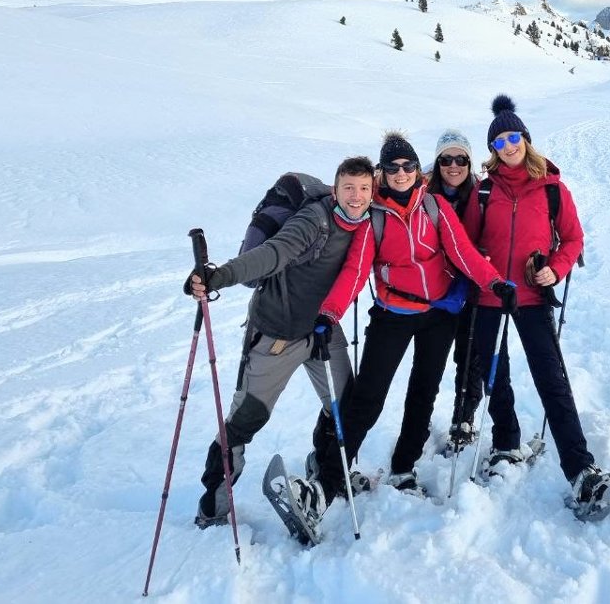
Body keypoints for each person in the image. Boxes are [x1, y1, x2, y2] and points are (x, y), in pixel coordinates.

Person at [290, 131, 515, 517]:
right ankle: (327, 484)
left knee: (423, 392)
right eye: (392, 167)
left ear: (417, 169)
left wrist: (492, 281)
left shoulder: (435, 206)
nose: (401, 173)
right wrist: (330, 313)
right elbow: (355, 272)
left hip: (438, 316)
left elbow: (462, 253)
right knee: (368, 398)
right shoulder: (373, 217)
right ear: (382, 172)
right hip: (392, 316)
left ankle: (404, 467)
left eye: (408, 165)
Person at [186, 156, 376, 528]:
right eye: (349, 188)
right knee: (245, 420)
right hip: (276, 333)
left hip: (322, 328)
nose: (356, 197)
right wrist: (219, 276)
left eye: (364, 189)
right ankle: (214, 507)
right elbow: (273, 254)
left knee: (343, 406)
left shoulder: (367, 222)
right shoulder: (314, 221)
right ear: (335, 189)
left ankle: (328, 471)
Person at [472, 94, 610, 508]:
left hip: (534, 295)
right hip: (490, 294)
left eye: (512, 137)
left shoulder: (552, 189)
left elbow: (573, 238)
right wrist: (482, 262)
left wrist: (556, 268)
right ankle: (505, 443)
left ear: (526, 139)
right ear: (493, 150)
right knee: (495, 375)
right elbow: (465, 241)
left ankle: (580, 469)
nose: (508, 146)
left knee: (551, 380)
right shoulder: (483, 191)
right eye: (498, 142)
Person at [424, 129, 485, 453]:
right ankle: (418, 423)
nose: (453, 165)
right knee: (429, 362)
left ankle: (464, 418)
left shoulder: (481, 193)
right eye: (446, 159)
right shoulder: (422, 192)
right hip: (434, 291)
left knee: (469, 355)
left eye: (460, 158)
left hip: (470, 289)